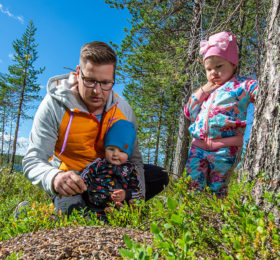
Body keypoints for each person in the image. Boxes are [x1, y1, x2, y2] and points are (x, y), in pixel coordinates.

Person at [22, 41, 168, 215]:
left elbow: (135, 160)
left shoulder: (124, 111)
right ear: (78, 73)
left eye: (106, 83)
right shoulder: (55, 105)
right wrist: (54, 178)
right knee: (77, 219)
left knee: (160, 175)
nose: (97, 91)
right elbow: (33, 160)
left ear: (113, 79)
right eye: (90, 81)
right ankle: (32, 212)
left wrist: (136, 199)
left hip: (109, 176)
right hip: (72, 178)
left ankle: (105, 208)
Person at [184, 31, 258, 198]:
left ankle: (214, 219)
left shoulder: (242, 85)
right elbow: (189, 112)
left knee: (217, 188)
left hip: (225, 148)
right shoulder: (207, 90)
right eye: (209, 69)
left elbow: (262, 90)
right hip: (198, 147)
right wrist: (202, 91)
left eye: (219, 66)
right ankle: (190, 217)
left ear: (233, 65)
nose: (213, 73)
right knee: (191, 186)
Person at [80, 119, 143, 218]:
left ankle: (117, 216)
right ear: (105, 148)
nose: (115, 154)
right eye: (111, 149)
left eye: (122, 151)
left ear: (128, 153)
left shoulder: (131, 170)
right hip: (94, 208)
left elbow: (138, 191)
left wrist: (126, 194)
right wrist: (81, 184)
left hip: (119, 208)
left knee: (123, 219)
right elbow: (83, 179)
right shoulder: (97, 165)